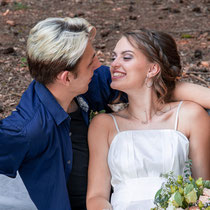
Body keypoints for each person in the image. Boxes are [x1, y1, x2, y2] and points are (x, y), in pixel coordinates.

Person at [0, 17, 209, 210]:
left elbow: (153, 87)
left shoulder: (90, 83)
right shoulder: (27, 129)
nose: (102, 66)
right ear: (66, 78)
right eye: (91, 62)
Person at [86, 29, 210, 210]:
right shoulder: (103, 125)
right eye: (114, 57)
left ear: (152, 69)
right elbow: (96, 196)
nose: (114, 64)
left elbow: (204, 188)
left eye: (126, 57)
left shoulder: (190, 116)